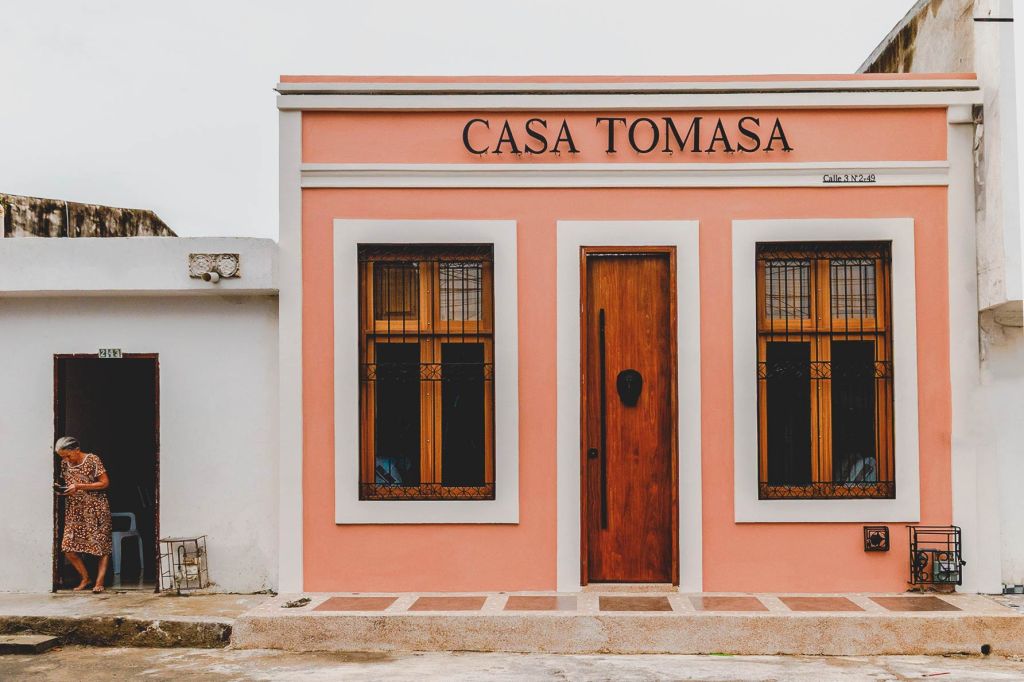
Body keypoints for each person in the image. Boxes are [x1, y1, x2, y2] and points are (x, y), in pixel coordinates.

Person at [54, 436, 112, 593]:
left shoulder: (92, 459)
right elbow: (69, 484)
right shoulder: (64, 463)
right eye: (62, 456)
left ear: (76, 450)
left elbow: (105, 482)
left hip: (96, 509)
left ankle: (99, 582)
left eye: (68, 455)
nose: (66, 459)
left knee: (101, 546)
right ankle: (86, 578)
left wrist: (79, 486)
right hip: (75, 510)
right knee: (68, 547)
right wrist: (64, 491)